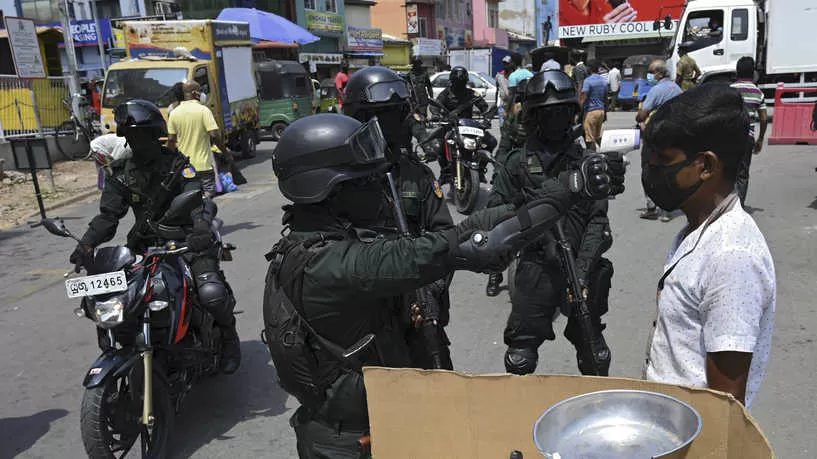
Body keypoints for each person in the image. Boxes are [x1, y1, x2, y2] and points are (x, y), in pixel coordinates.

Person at [264, 113, 625, 458]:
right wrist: (568, 190)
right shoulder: (332, 264)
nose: (379, 188)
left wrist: (563, 188)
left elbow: (468, 230)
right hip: (355, 440)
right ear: (330, 189)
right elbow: (471, 243)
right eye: (364, 181)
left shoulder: (327, 242)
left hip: (380, 420)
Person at [70, 100, 241, 374]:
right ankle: (121, 345)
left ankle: (230, 341)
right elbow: (108, 217)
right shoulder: (123, 175)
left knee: (211, 293)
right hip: (144, 246)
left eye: (142, 135)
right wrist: (86, 244)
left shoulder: (177, 165)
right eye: (131, 136)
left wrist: (200, 225)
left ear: (154, 135)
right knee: (113, 296)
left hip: (186, 241)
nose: (137, 142)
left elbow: (199, 199)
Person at [642, 84, 775, 410]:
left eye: (664, 160)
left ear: (706, 166)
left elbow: (724, 406)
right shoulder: (700, 228)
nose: (650, 171)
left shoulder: (731, 257)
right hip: (666, 422)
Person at [489, 70, 623, 377]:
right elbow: (495, 215)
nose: (555, 120)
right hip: (537, 268)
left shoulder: (586, 161)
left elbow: (598, 222)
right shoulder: (516, 164)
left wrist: (582, 271)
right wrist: (530, 227)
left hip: (582, 269)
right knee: (520, 358)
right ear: (534, 117)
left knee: (595, 355)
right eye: (547, 114)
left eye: (562, 112)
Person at [342, 66, 455, 369]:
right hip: (365, 318)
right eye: (381, 116)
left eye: (396, 114)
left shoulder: (416, 175)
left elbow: (444, 236)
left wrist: (432, 289)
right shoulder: (342, 183)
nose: (391, 125)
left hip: (420, 312)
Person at [431, 66, 497, 184]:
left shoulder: (472, 94)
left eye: (461, 83)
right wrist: (436, 115)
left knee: (491, 142)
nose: (459, 85)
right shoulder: (446, 93)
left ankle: (480, 170)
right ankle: (445, 173)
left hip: (469, 126)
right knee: (438, 145)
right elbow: (435, 105)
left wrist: (487, 118)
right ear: (452, 81)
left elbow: (484, 107)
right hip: (450, 125)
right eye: (457, 82)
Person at [167, 81, 232, 199]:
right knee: (208, 192)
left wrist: (168, 161)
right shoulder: (203, 111)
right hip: (204, 165)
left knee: (188, 196)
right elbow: (214, 135)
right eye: (200, 90)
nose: (202, 93)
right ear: (194, 93)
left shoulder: (174, 113)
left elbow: (171, 140)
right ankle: (204, 213)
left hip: (185, 167)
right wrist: (225, 153)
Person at [636, 59, 683, 221]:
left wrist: (639, 117)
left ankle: (651, 207)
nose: (649, 75)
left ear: (660, 73)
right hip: (674, 134)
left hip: (656, 135)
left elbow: (643, 114)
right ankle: (668, 209)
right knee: (669, 169)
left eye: (651, 71)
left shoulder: (656, 90)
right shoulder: (676, 88)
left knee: (648, 170)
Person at [731, 56, 768, 206]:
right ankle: (739, 205)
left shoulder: (730, 90)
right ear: (752, 73)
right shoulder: (758, 93)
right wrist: (760, 139)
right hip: (748, 137)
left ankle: (727, 204)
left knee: (728, 171)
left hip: (729, 137)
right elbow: (764, 119)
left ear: (737, 72)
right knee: (742, 173)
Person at [580, 60, 608, 151]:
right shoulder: (603, 81)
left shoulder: (588, 81)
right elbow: (606, 99)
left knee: (589, 139)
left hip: (591, 112)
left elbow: (584, 98)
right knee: (597, 136)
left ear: (589, 68)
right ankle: (606, 152)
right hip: (601, 111)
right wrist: (605, 113)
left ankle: (592, 157)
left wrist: (577, 111)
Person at [496, 56, 513, 124]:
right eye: (504, 63)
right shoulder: (499, 76)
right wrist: (495, 103)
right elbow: (497, 90)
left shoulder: (514, 76)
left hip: (512, 105)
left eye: (507, 64)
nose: (506, 65)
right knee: (502, 126)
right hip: (502, 106)